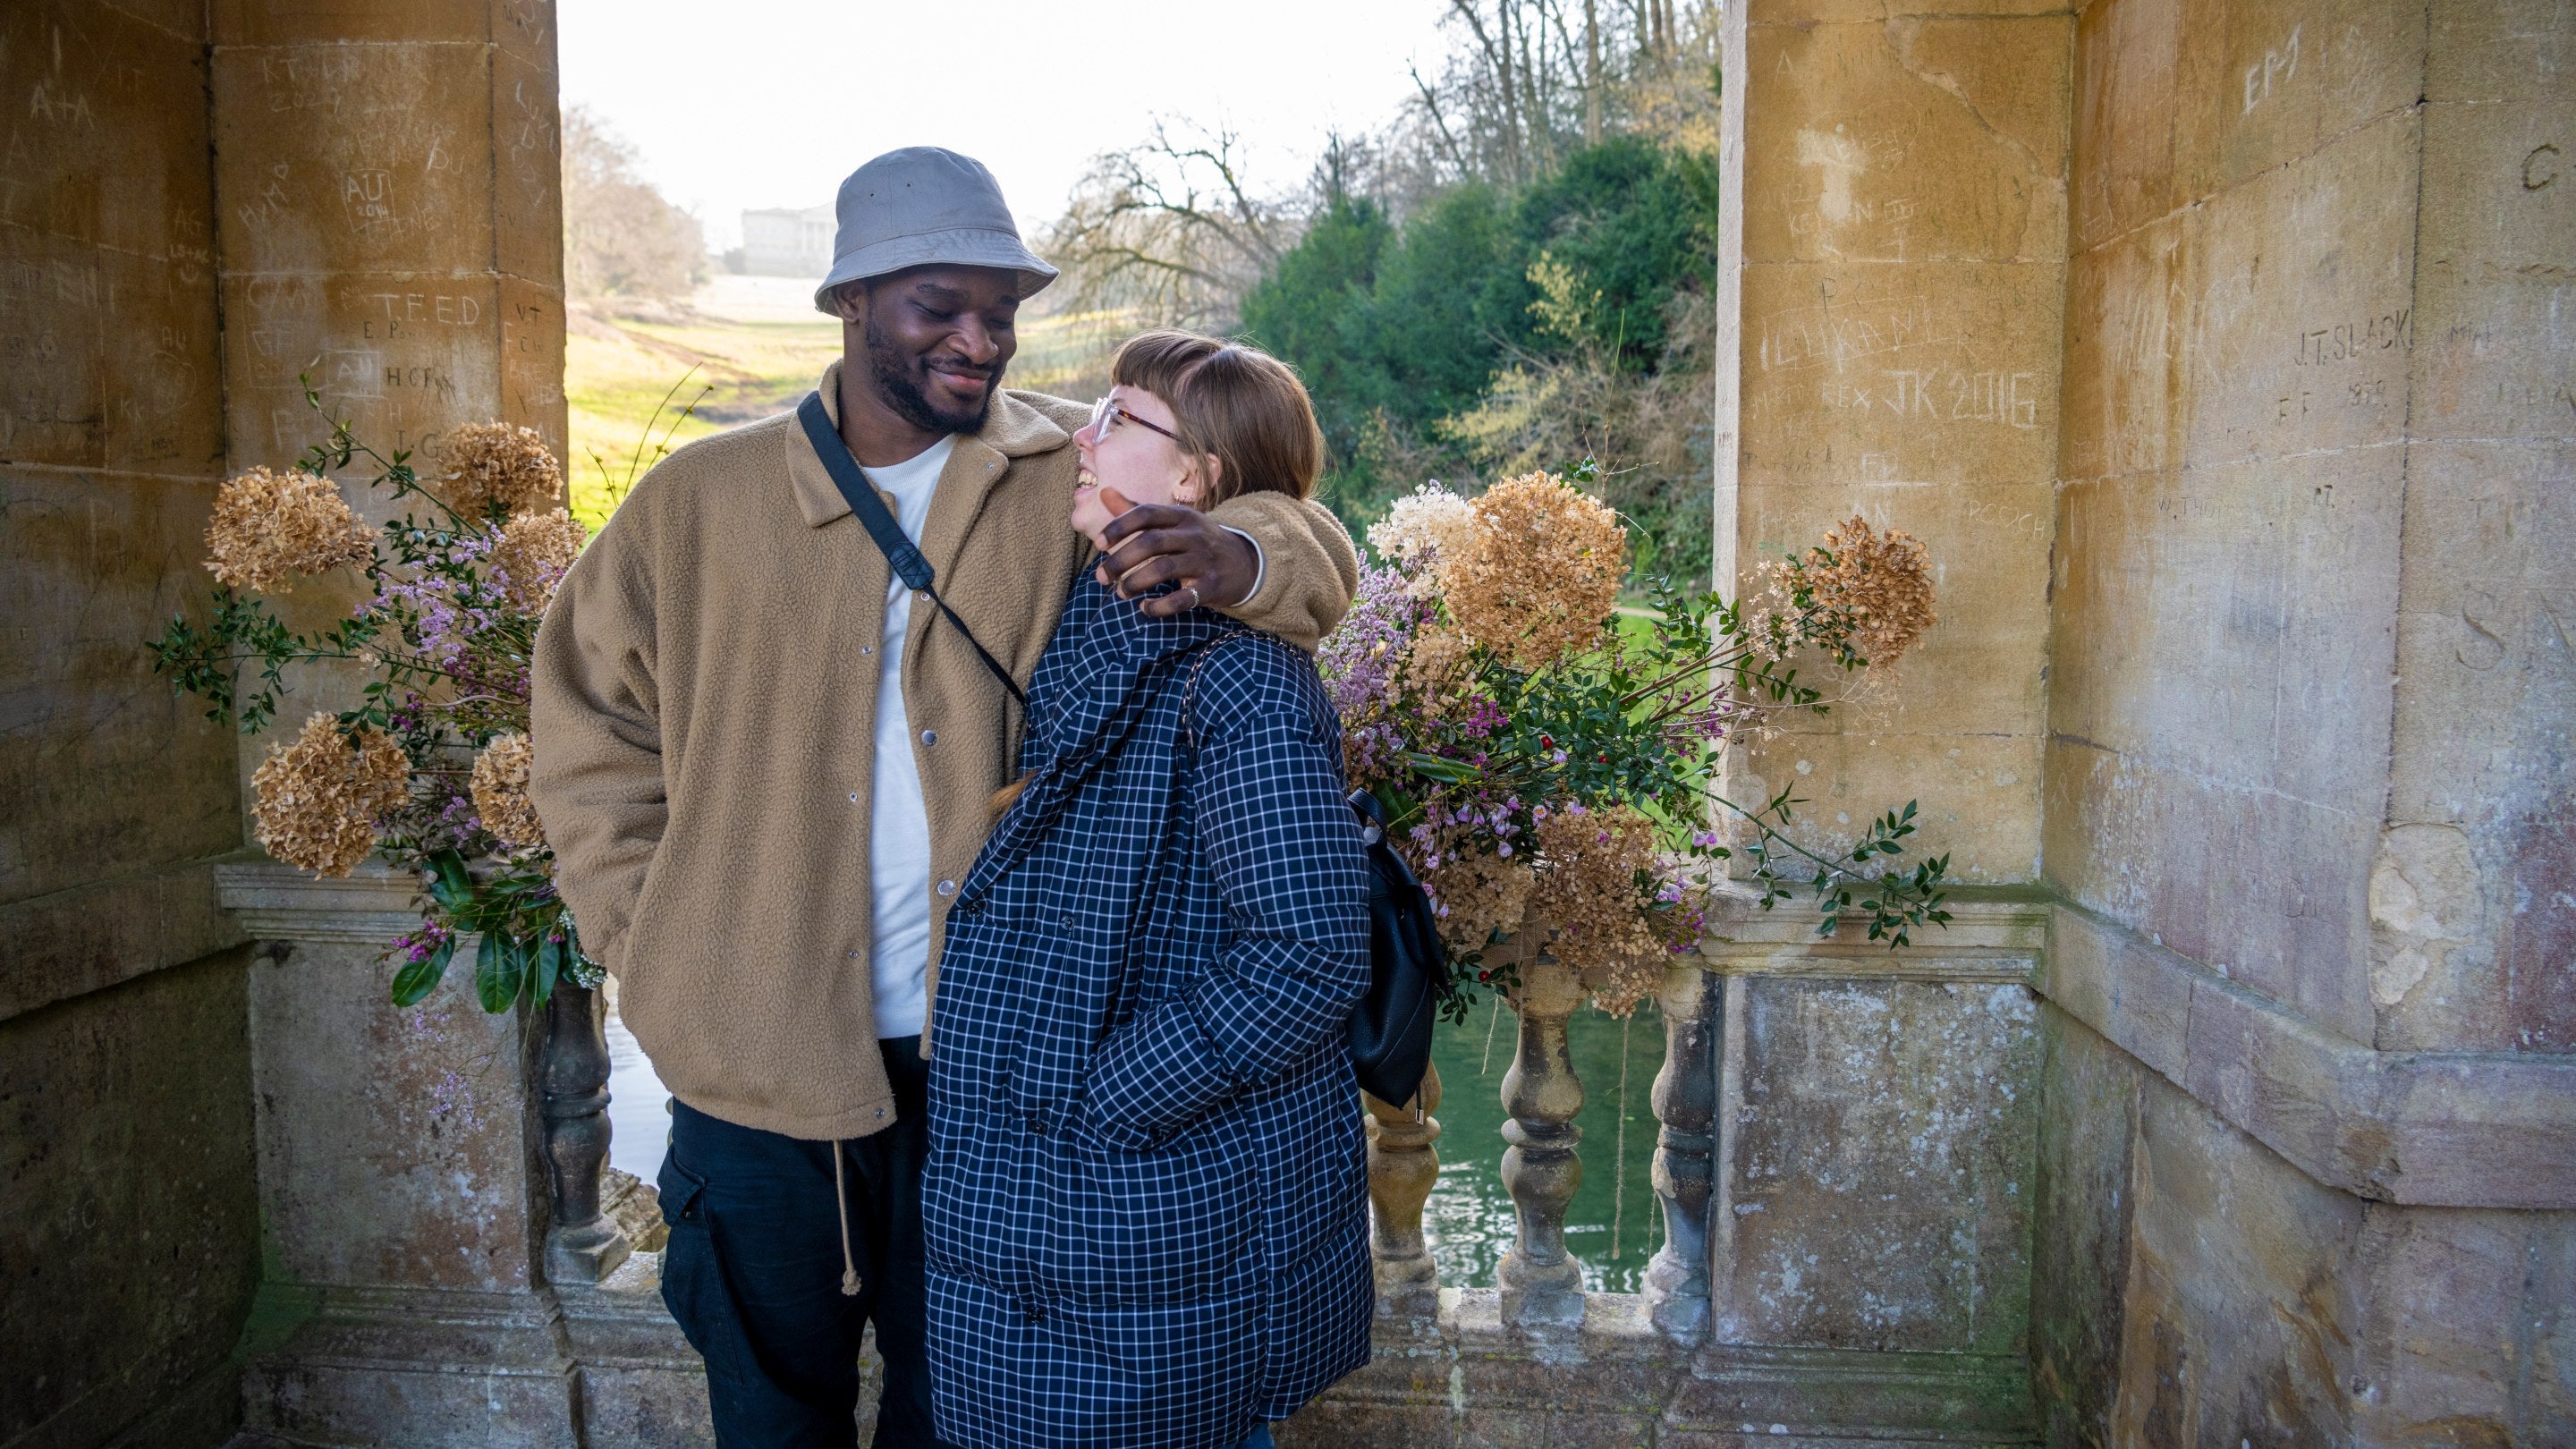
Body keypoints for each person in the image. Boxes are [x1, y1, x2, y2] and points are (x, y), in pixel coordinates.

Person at [530, 150, 1359, 1448]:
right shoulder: (697, 501)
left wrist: (1243, 554)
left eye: (1003, 310)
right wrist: (651, 944)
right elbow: (586, 730)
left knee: (969, 1422)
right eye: (938, 306)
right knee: (770, 1422)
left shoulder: (1064, 471)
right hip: (757, 1083)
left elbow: (1293, 518)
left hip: (992, 1079)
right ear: (851, 303)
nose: (981, 341)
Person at [921, 332, 1375, 1449]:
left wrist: (1104, 1098)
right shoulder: (1104, 609)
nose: (1085, 434)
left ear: (1197, 479)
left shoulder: (1241, 685)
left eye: (1121, 418)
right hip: (1051, 1205)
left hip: (1146, 1204)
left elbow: (1310, 956)